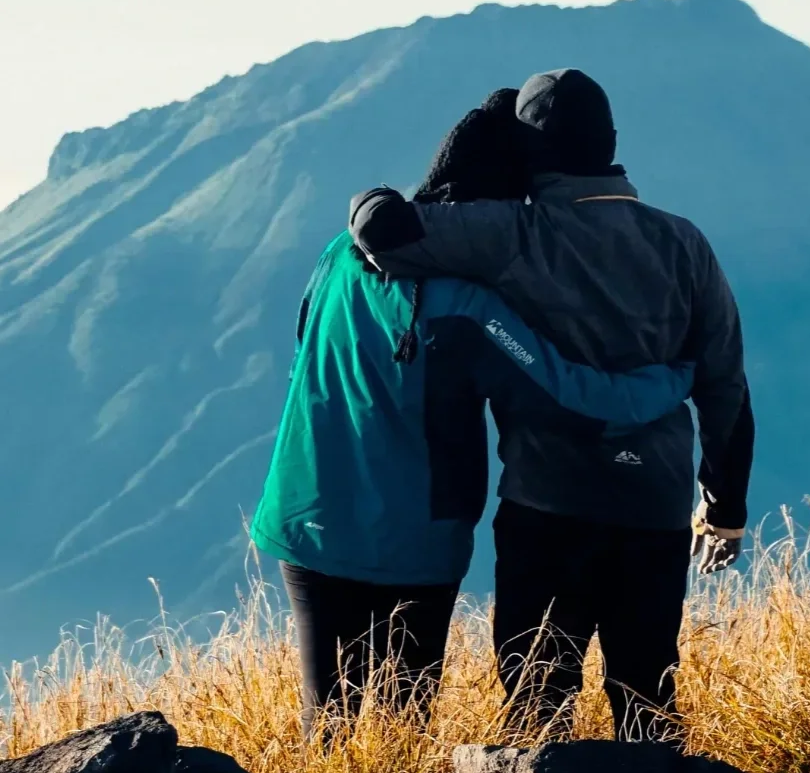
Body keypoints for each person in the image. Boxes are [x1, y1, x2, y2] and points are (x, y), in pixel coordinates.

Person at [250, 89, 693, 737]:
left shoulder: (338, 253)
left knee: (329, 726)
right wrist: (672, 378)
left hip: (304, 516)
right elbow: (571, 393)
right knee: (404, 732)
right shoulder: (469, 306)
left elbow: (302, 351)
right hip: (413, 542)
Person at [349, 68, 754, 739]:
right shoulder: (684, 243)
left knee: (537, 709)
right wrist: (725, 510)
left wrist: (373, 195)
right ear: (613, 142)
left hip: (550, 510)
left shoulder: (511, 232)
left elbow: (384, 230)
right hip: (653, 510)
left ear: (530, 154)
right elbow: (726, 385)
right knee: (648, 704)